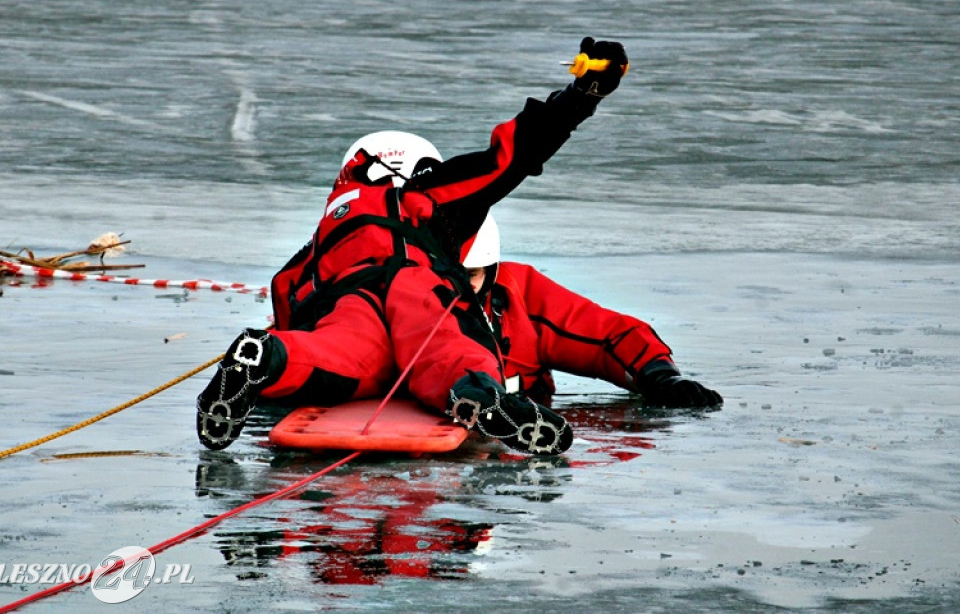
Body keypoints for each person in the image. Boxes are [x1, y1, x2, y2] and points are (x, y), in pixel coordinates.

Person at [197, 37, 630, 456]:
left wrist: (280, 347)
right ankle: (480, 396)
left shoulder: (326, 230)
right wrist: (582, 94)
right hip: (415, 280)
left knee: (339, 358)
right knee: (447, 349)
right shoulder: (429, 196)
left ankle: (266, 360)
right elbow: (515, 153)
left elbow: (290, 297)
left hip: (348, 293)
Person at [459, 215, 722, 408]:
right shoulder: (419, 312)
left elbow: (607, 335)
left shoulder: (516, 295)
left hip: (524, 430)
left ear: (489, 270)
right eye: (448, 273)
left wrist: (660, 377)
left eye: (470, 274)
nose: (457, 284)